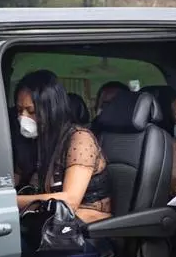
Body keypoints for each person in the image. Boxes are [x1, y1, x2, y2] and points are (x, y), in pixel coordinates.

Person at [13, 70, 112, 225]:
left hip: (85, 228)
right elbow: (12, 182)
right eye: (19, 111)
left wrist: (10, 201)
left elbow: (69, 201)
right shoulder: (34, 142)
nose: (23, 118)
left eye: (31, 111)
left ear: (51, 110)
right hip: (49, 221)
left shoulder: (80, 139)